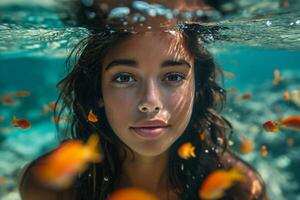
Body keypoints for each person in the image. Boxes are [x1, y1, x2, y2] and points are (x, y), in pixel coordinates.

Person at [18, 0, 268, 200]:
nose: (150, 101)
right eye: (125, 78)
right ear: (98, 92)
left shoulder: (239, 191)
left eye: (173, 76)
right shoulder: (48, 187)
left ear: (198, 87)